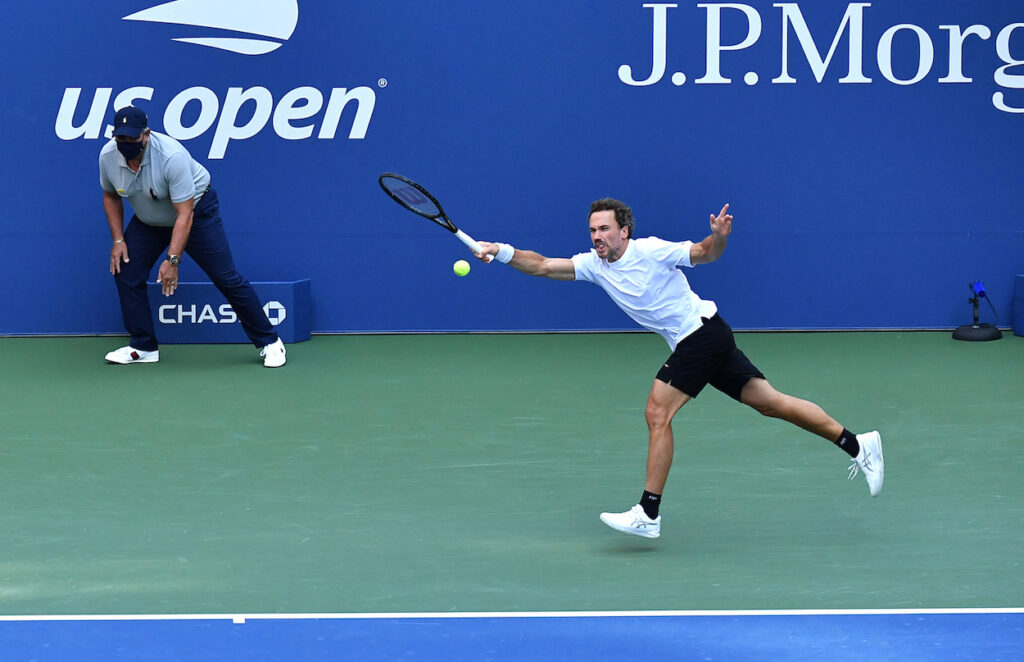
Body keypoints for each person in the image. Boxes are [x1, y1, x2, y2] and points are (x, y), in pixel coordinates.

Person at [474, 198, 883, 539]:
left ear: (624, 231)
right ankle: (858, 445)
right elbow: (543, 264)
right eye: (592, 231)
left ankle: (648, 513)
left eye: (604, 229)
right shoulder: (595, 266)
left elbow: (704, 253)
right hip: (708, 335)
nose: (596, 237)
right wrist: (501, 250)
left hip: (700, 336)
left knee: (658, 412)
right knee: (771, 403)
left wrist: (719, 237)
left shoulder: (650, 251)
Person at [99, 106, 286, 368]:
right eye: (122, 139)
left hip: (196, 214)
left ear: (147, 134)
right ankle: (143, 346)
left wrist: (172, 261)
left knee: (226, 277)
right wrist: (118, 240)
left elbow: (184, 214)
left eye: (133, 138)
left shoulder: (171, 157)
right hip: (149, 219)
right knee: (126, 271)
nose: (127, 143)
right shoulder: (108, 156)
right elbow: (111, 195)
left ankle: (270, 341)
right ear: (114, 136)